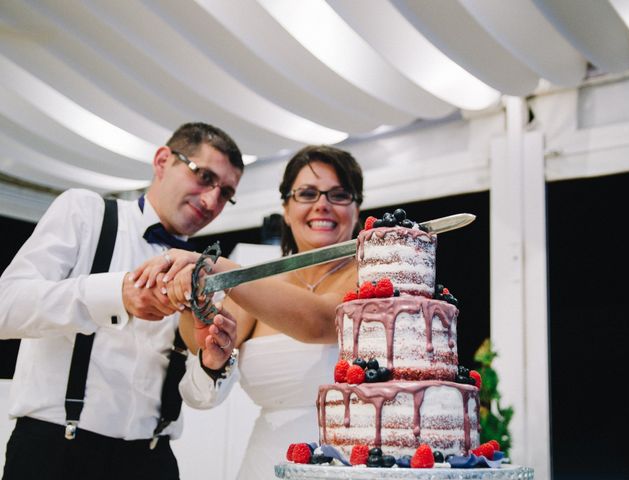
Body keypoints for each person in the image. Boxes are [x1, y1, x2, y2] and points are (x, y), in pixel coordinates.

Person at [0, 122, 243, 480]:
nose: (211, 201)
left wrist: (211, 363)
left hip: (151, 460)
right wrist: (117, 295)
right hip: (55, 454)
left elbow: (197, 398)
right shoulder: (85, 213)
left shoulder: (201, 271)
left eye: (225, 193)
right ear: (163, 160)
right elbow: (7, 306)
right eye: (205, 177)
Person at [132, 145, 364, 479]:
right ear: (286, 207)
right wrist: (190, 298)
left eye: (339, 194)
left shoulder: (375, 276)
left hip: (353, 466)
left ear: (357, 208)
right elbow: (202, 346)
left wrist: (217, 267)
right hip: (265, 464)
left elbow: (323, 322)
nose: (322, 204)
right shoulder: (261, 286)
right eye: (307, 193)